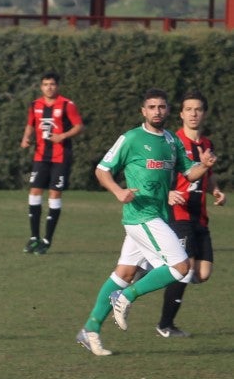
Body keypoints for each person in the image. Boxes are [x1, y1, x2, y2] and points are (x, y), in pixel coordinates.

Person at [76, 88, 217, 357]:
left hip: (158, 216)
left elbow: (189, 173)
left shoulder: (171, 141)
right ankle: (125, 297)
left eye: (161, 107)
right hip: (141, 216)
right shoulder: (131, 138)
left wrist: (205, 165)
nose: (157, 111)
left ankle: (90, 329)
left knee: (125, 274)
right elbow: (101, 169)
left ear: (167, 110)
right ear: (143, 111)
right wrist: (118, 191)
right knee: (180, 267)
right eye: (151, 107)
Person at [155, 90, 225, 338]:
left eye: (198, 109)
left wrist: (215, 189)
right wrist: (167, 192)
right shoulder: (172, 141)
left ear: (203, 113)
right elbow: (170, 174)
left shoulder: (207, 144)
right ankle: (165, 325)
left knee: (202, 274)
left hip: (200, 214)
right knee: (186, 268)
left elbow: (208, 173)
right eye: (189, 109)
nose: (194, 113)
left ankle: (158, 267)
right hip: (179, 212)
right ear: (181, 113)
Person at [19, 71, 83, 254]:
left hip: (60, 157)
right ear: (41, 86)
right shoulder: (35, 105)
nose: (49, 87)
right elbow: (30, 124)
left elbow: (79, 126)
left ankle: (47, 239)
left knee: (54, 195)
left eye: (52, 84)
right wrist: (26, 138)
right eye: (46, 84)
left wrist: (62, 135)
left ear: (57, 86)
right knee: (34, 192)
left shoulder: (66, 104)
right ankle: (34, 237)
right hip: (40, 156)